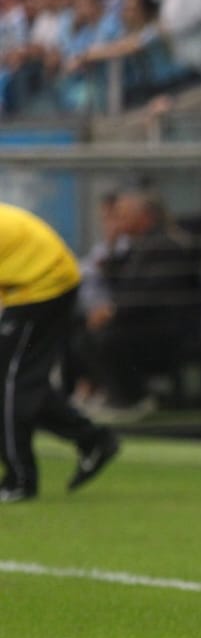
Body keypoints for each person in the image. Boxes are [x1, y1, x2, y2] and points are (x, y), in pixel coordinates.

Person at [0, 203, 120, 503]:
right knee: (20, 381)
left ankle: (20, 480)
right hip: (38, 280)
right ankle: (92, 439)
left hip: (42, 285)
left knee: (9, 382)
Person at [78, 189, 201, 417]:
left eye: (123, 216)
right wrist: (112, 243)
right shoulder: (138, 245)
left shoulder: (165, 245)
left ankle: (132, 399)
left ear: (144, 217)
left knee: (108, 337)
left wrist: (113, 311)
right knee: (82, 328)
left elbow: (150, 294)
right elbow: (113, 277)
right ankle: (102, 393)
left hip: (166, 329)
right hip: (140, 322)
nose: (118, 221)